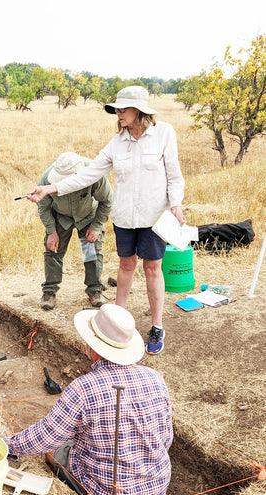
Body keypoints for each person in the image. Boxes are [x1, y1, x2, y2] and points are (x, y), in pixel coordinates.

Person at [27, 86, 185, 355]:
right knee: (126, 265)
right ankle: (117, 322)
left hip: (153, 217)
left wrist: (176, 205)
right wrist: (50, 189)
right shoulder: (117, 142)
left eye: (123, 109)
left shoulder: (164, 133)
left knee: (152, 268)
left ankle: (156, 326)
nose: (118, 114)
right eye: (117, 110)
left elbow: (174, 175)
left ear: (140, 111)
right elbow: (88, 175)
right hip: (124, 217)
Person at [4, 303, 173, 495]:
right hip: (156, 494)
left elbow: (46, 437)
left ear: (92, 347)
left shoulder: (83, 388)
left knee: (53, 452)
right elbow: (166, 439)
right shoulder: (155, 378)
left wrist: (8, 445)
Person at [37, 152, 112, 310]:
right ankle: (49, 291)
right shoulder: (46, 178)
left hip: (88, 216)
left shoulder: (94, 173)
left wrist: (96, 226)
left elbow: (107, 201)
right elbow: (43, 207)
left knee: (92, 251)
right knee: (53, 250)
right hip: (61, 216)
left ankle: (94, 290)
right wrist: (51, 232)